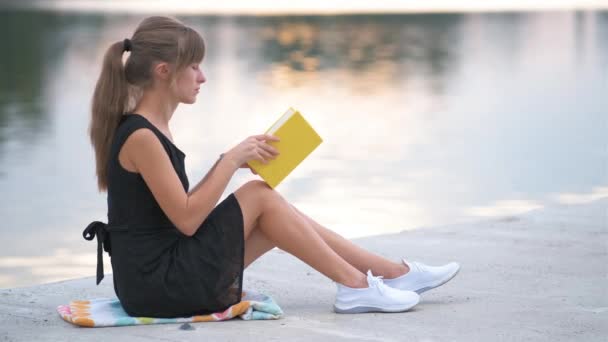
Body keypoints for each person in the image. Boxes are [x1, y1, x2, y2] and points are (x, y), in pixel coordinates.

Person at [84, 16, 460, 318]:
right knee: (259, 196)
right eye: (194, 66)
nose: (203, 77)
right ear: (164, 71)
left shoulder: (152, 129)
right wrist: (230, 161)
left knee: (271, 213)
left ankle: (391, 276)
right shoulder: (142, 136)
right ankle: (358, 287)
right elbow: (186, 220)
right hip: (157, 286)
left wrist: (228, 162)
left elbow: (177, 210)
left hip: (162, 275)